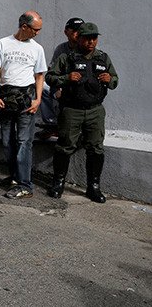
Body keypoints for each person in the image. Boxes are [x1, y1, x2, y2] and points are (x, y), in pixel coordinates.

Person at [46, 22, 118, 203]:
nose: (91, 42)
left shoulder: (103, 58)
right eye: (87, 39)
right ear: (79, 38)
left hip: (95, 110)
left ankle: (93, 187)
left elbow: (115, 80)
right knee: (65, 146)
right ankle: (58, 183)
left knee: (96, 148)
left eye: (94, 38)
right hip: (72, 110)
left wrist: (109, 79)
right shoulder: (66, 58)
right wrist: (67, 78)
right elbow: (50, 77)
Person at [0, 10, 48, 199]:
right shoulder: (3, 43)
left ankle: (25, 185)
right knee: (7, 142)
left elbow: (39, 75)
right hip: (6, 98)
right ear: (24, 26)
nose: (37, 33)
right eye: (35, 29)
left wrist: (38, 99)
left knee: (24, 142)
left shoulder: (37, 49)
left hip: (26, 99)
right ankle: (15, 177)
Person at [38, 17, 84, 138]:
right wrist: (57, 87)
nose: (78, 33)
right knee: (42, 87)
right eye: (74, 30)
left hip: (80, 87)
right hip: (63, 83)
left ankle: (79, 128)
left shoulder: (86, 48)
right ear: (66, 32)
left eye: (80, 30)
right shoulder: (61, 49)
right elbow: (51, 72)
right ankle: (51, 125)